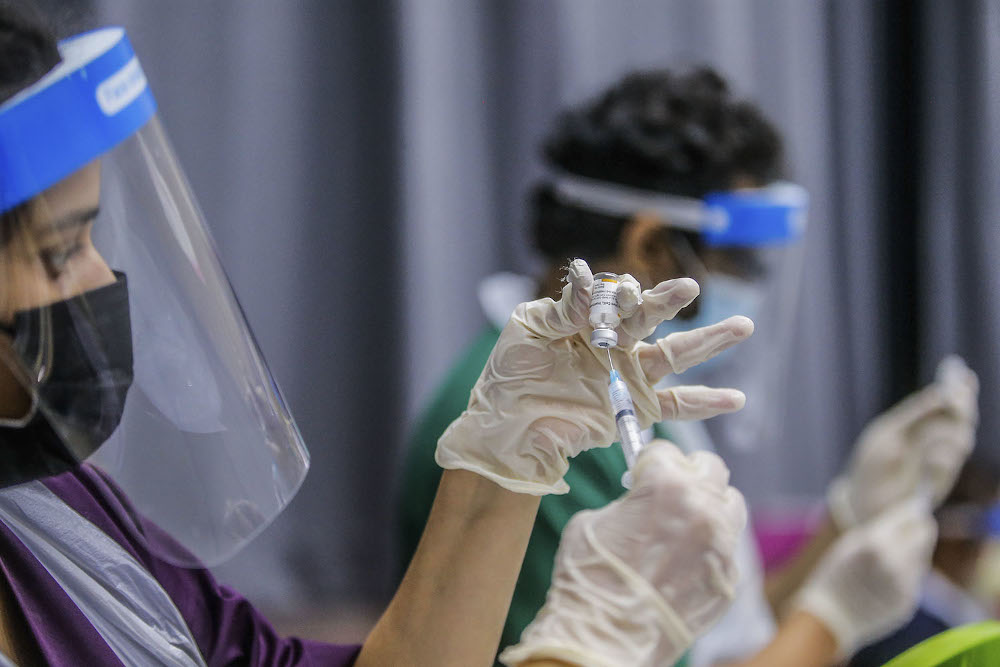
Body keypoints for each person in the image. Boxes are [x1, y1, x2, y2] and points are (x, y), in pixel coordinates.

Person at [0, 5, 756, 666]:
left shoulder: (55, 509)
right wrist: (589, 648)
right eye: (61, 251)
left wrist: (502, 467)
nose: (103, 280)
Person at [397, 67, 975, 666]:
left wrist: (848, 520)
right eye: (740, 259)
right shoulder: (527, 424)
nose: (749, 283)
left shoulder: (623, 382)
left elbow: (714, 644)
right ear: (651, 245)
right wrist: (830, 622)